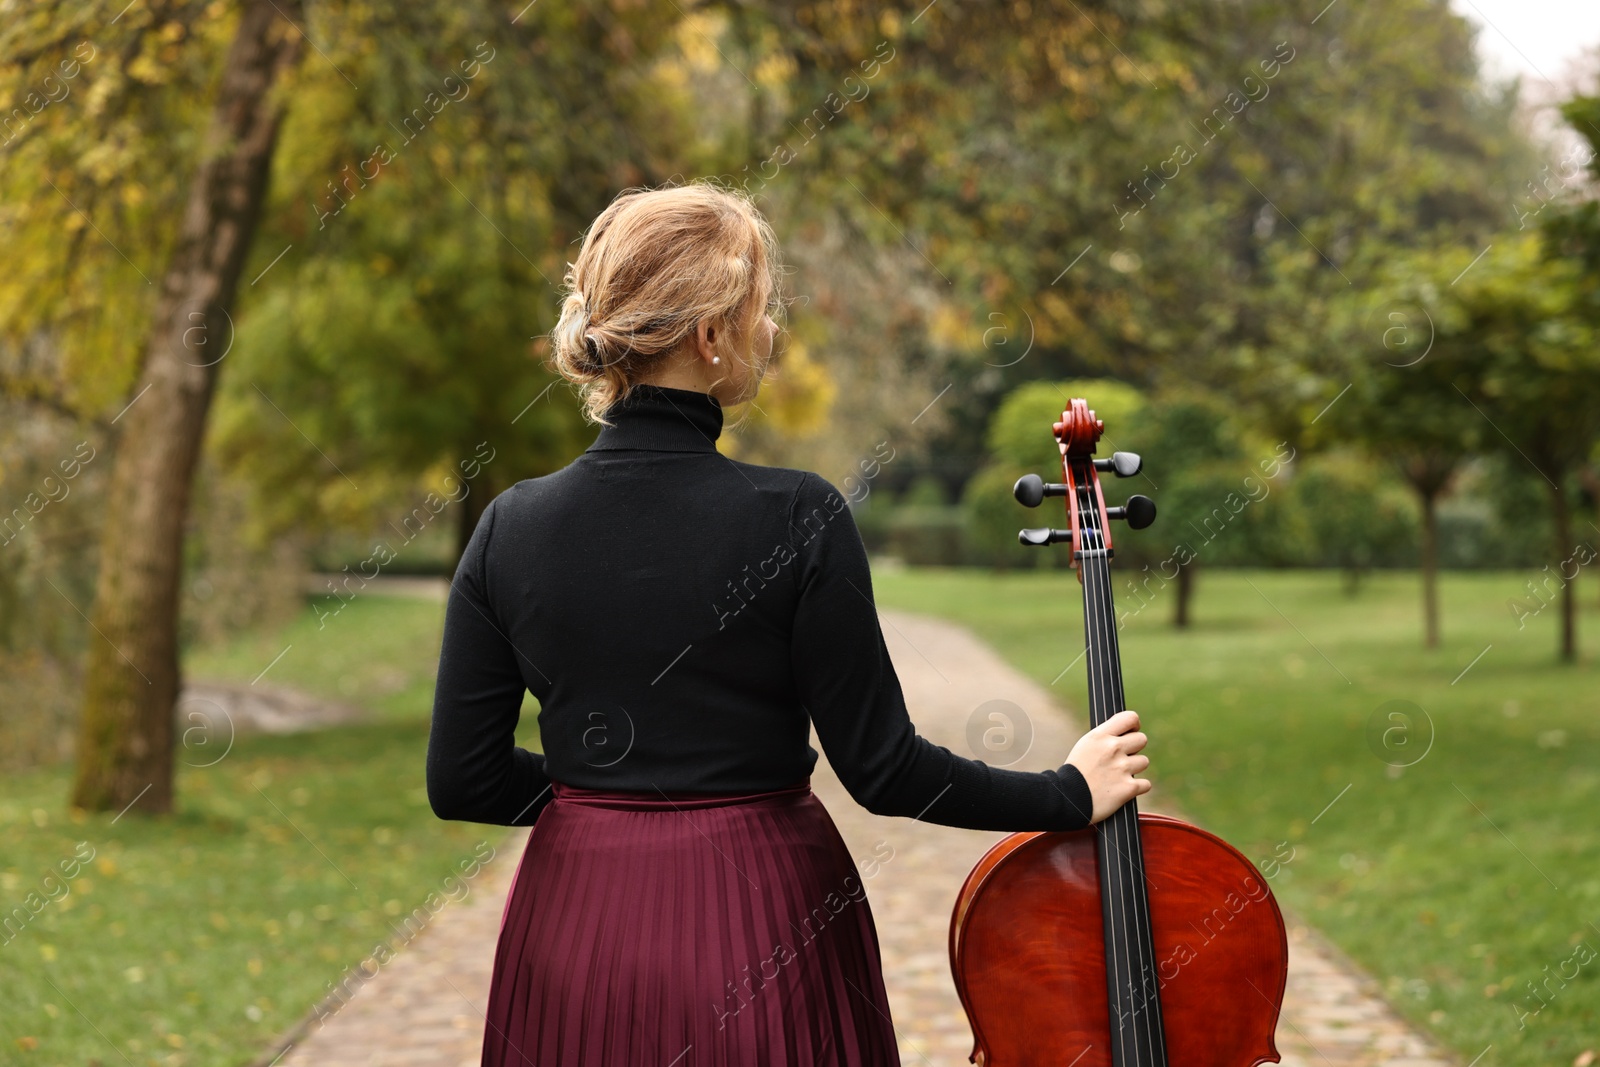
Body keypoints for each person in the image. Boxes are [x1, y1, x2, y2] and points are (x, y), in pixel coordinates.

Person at [425, 179, 1152, 1067]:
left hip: (575, 922)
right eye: (763, 310)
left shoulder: (511, 525)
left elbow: (461, 780)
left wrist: (604, 800)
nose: (773, 334)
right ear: (711, 334)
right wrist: (1067, 792)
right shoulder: (797, 515)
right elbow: (883, 769)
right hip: (762, 911)